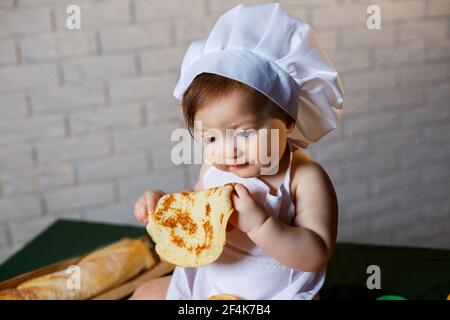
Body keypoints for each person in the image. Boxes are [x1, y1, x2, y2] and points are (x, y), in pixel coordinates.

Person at [130, 2, 344, 300]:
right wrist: (167, 205)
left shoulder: (304, 178)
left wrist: (262, 224)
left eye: (244, 133)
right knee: (145, 293)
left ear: (286, 119)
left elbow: (316, 253)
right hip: (211, 285)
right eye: (211, 138)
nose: (228, 151)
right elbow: (197, 200)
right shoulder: (213, 167)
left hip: (276, 293)